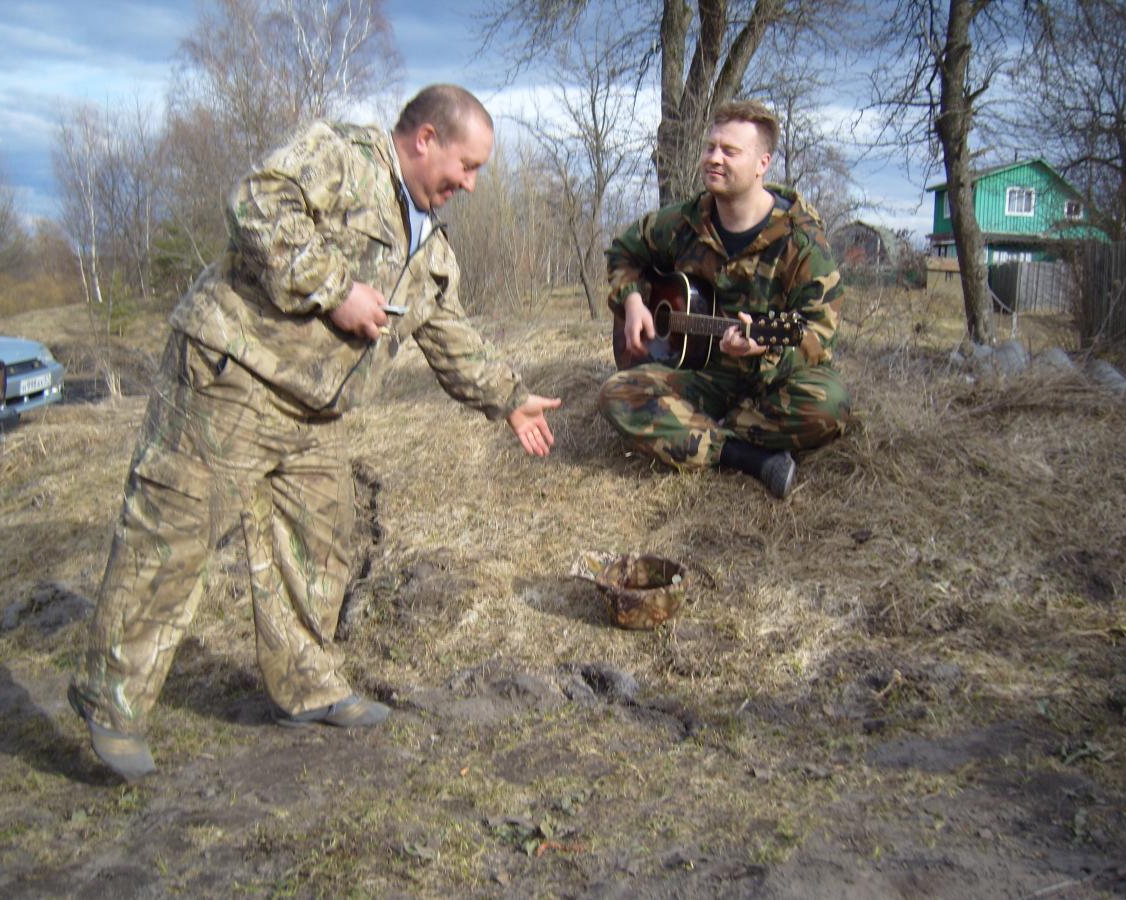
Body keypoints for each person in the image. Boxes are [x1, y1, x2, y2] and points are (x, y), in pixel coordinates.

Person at [68, 84, 562, 781]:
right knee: (172, 539)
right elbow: (257, 202)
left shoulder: (431, 246)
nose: (472, 185)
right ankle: (111, 701)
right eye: (467, 165)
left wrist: (509, 398)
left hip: (313, 413)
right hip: (232, 376)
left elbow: (450, 336)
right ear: (425, 139)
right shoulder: (344, 158)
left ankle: (307, 687)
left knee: (321, 542)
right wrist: (336, 287)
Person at [598, 99, 850, 498]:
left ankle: (694, 428)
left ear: (762, 163)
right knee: (617, 395)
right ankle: (747, 456)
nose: (714, 158)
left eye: (730, 151)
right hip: (700, 373)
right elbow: (622, 252)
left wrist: (762, 347)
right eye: (711, 147)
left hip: (769, 379)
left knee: (829, 406)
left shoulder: (801, 241)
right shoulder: (682, 221)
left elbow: (818, 333)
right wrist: (631, 300)